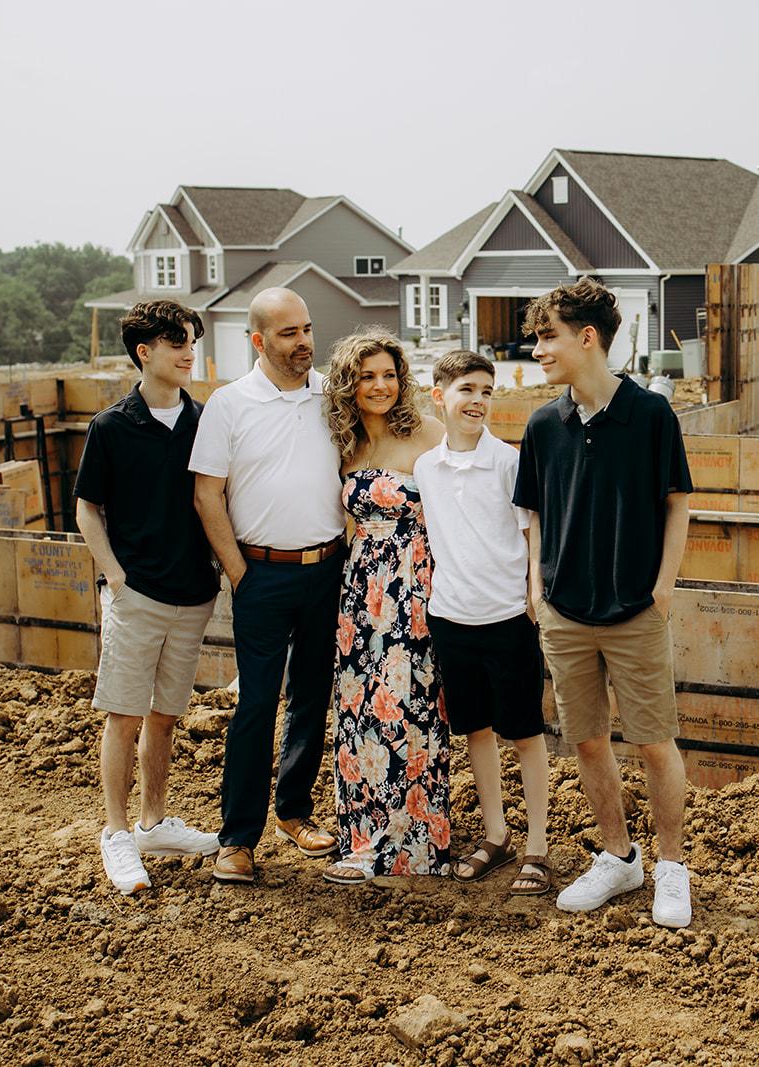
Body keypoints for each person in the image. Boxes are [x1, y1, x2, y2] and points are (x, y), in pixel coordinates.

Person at [513, 279, 696, 928]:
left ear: (586, 338)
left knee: (653, 741)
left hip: (635, 611)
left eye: (547, 336)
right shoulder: (543, 424)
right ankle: (620, 858)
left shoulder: (649, 416)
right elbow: (531, 513)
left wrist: (664, 587)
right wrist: (537, 587)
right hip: (565, 613)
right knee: (588, 741)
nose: (537, 349)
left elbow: (678, 503)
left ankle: (671, 865)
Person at [190, 287, 344, 885]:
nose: (304, 341)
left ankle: (295, 812)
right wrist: (238, 572)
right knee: (256, 705)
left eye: (307, 329)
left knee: (312, 695)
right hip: (260, 572)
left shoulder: (333, 395)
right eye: (289, 333)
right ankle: (237, 838)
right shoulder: (229, 405)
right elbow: (207, 494)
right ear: (258, 340)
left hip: (327, 568)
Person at [74, 299, 221, 896]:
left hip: (193, 594)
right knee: (125, 715)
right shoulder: (111, 426)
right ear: (145, 352)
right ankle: (116, 834)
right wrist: (113, 575)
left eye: (192, 340)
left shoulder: (204, 421)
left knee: (165, 716)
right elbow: (88, 508)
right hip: (138, 595)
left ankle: (155, 823)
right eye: (177, 342)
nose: (190, 352)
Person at [413, 350, 553, 895]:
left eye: (487, 392)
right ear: (439, 395)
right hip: (451, 617)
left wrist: (532, 593)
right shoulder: (427, 467)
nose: (478, 401)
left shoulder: (508, 463)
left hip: (507, 619)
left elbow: (530, 531)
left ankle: (537, 846)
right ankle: (496, 837)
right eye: (467, 389)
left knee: (525, 734)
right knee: (476, 730)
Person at [320, 328, 450, 883]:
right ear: (350, 383)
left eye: (389, 375)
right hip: (359, 591)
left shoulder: (429, 434)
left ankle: (412, 843)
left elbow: (462, 508)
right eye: (368, 376)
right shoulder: (345, 445)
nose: (380, 386)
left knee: (409, 706)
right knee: (358, 711)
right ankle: (363, 837)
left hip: (414, 585)